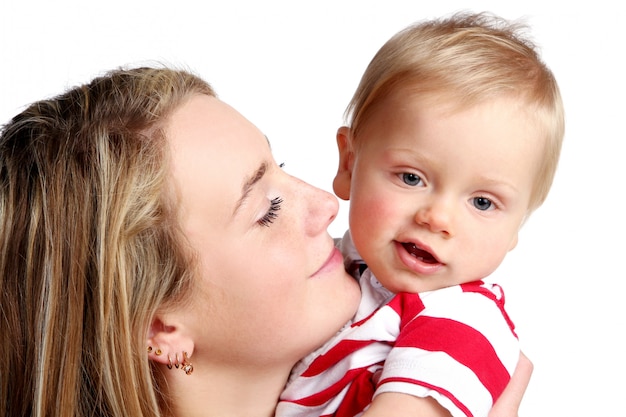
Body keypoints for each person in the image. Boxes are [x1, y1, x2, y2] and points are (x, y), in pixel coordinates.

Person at [0, 66, 532, 417]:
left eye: (284, 168)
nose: (327, 204)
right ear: (160, 327)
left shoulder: (431, 326)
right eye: (266, 209)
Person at [278, 12, 563, 417]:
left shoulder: (465, 322)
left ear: (517, 225)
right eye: (411, 178)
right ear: (349, 164)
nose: (438, 218)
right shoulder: (336, 265)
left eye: (482, 202)